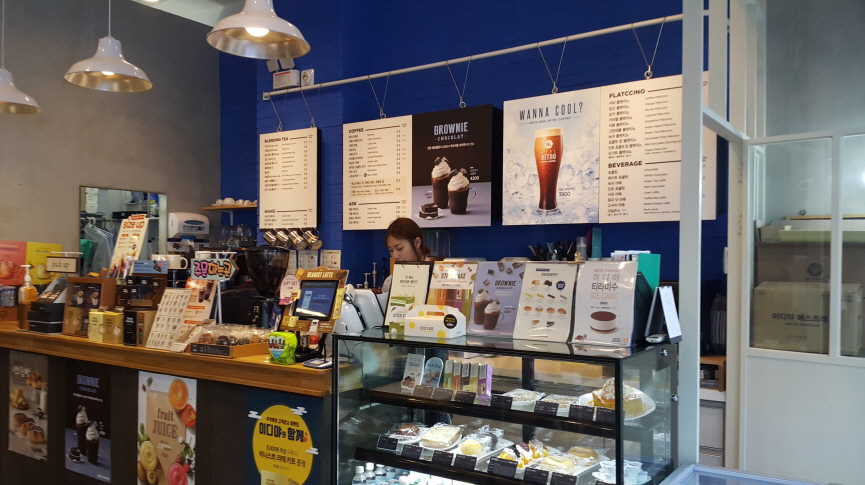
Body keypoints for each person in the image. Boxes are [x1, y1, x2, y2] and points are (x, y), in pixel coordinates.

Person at [381, 217, 431, 293]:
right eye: (391, 250)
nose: (395, 256)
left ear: (417, 243)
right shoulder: (390, 282)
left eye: (400, 248)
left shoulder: (437, 279)